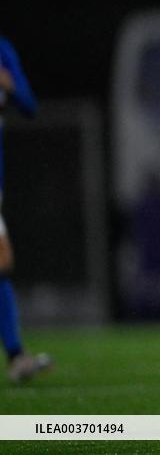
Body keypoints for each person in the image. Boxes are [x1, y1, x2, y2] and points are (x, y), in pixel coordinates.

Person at [0, 36, 52, 384]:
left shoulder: (3, 50)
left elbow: (30, 105)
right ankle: (16, 355)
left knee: (2, 262)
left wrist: (9, 85)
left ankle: (16, 355)